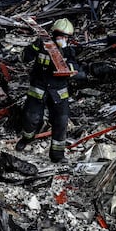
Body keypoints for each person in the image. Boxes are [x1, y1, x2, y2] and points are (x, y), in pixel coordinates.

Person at [15, 18, 84, 163]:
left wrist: (69, 66)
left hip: (58, 93)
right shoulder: (41, 45)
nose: (62, 39)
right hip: (38, 90)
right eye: (59, 35)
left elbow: (76, 69)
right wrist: (35, 47)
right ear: (53, 34)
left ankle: (57, 156)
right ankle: (27, 138)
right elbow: (23, 58)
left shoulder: (68, 51)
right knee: (30, 120)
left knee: (61, 122)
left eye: (65, 37)